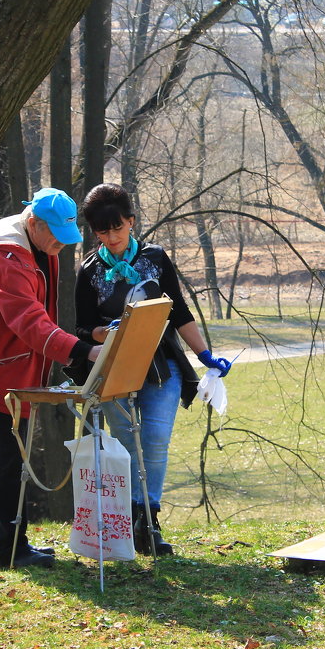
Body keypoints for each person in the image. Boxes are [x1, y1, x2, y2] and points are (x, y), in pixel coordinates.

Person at [0, 187, 102, 569]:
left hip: (8, 367)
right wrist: (83, 351)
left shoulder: (36, 246)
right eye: (56, 238)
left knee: (6, 460)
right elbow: (28, 321)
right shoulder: (7, 260)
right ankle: (9, 550)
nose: (60, 247)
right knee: (5, 462)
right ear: (33, 223)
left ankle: (5, 545)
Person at [74, 183, 231, 556]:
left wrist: (205, 354)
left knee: (156, 441)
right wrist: (103, 332)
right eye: (102, 231)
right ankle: (131, 524)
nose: (111, 238)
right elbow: (81, 328)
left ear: (131, 221)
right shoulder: (89, 270)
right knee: (128, 445)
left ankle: (150, 521)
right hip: (113, 368)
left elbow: (178, 311)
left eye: (117, 228)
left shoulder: (155, 258)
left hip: (162, 366)